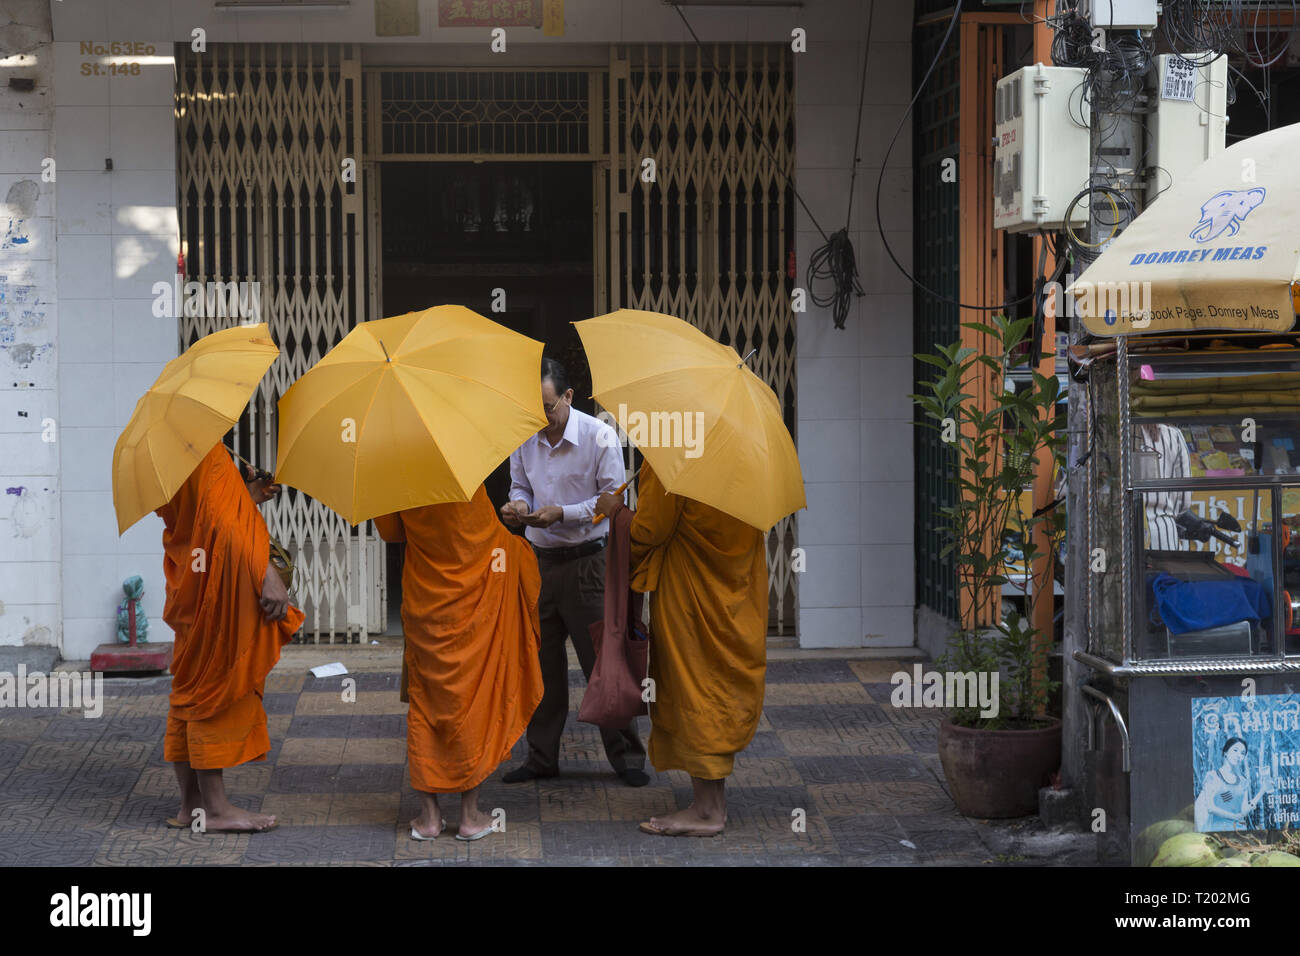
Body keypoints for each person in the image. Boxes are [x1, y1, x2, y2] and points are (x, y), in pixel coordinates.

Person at [594, 462, 768, 837]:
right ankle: (710, 802)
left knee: (695, 688)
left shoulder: (675, 461)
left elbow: (648, 531)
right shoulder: (745, 463)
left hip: (691, 597)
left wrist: (615, 511)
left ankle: (708, 812)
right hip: (735, 595)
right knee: (715, 688)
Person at [498, 357, 648, 786]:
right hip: (540, 565)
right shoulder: (524, 435)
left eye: (548, 408)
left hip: (588, 565)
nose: (541, 418)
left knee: (605, 663)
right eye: (534, 409)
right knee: (541, 667)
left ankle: (628, 760)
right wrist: (521, 507)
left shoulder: (599, 437)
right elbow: (520, 485)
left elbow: (610, 503)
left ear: (568, 396)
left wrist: (561, 513)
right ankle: (541, 758)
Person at [375, 486, 544, 840]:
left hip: (426, 606)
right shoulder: (463, 474)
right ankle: (469, 816)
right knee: (473, 702)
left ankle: (429, 818)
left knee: (426, 705)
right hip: (472, 609)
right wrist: (516, 547)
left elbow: (392, 533)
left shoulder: (393, 474)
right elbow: (488, 539)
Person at [159, 443, 303, 833]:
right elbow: (223, 524)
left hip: (193, 583)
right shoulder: (207, 453)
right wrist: (266, 574)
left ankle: (192, 805)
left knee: (191, 686)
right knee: (215, 685)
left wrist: (247, 496)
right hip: (220, 589)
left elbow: (202, 517)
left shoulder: (174, 455)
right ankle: (218, 810)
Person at [1194, 736, 1271, 832]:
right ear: (1225, 752)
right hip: (1217, 830)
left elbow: (1243, 811)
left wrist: (1262, 790)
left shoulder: (1243, 781)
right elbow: (1211, 808)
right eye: (1235, 750)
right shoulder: (1212, 776)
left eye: (1242, 753)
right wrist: (1234, 816)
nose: (1239, 755)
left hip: (1239, 830)